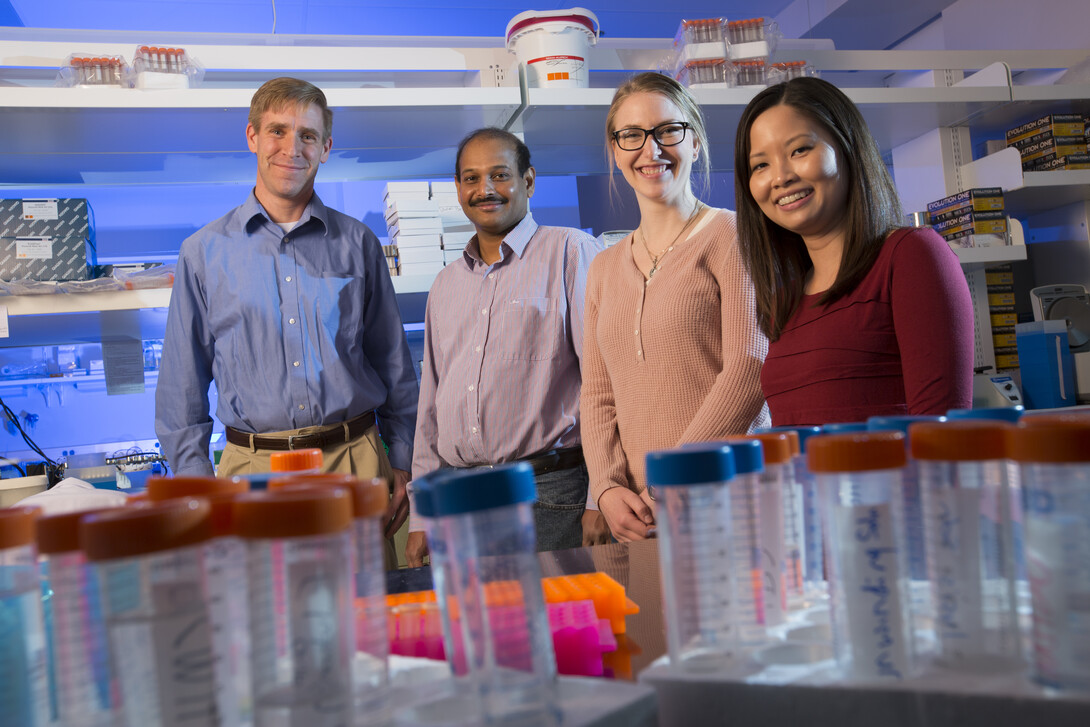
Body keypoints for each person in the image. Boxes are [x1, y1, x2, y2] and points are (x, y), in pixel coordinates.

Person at [155, 77, 419, 553]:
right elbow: (181, 389)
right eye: (277, 131)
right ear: (252, 136)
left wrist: (402, 460)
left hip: (354, 465)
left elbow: (394, 366)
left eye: (308, 136)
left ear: (326, 147)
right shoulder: (203, 253)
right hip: (253, 475)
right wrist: (197, 487)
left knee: (366, 618)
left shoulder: (358, 244)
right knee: (265, 622)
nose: (291, 148)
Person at [582, 72, 770, 543]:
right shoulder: (603, 267)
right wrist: (606, 487)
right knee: (653, 620)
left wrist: (676, 475)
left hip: (727, 494)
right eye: (632, 136)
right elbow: (597, 391)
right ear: (615, 150)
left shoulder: (734, 235)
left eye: (669, 131)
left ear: (697, 141)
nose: (652, 150)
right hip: (639, 515)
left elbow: (750, 367)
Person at [405, 128, 604, 566]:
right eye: (471, 178)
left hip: (548, 497)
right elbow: (430, 408)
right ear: (458, 189)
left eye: (500, 174)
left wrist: (599, 495)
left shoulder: (570, 252)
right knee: (475, 630)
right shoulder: (445, 284)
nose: (485, 190)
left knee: (556, 629)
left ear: (528, 181)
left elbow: (603, 383)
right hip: (460, 499)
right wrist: (421, 514)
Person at [734, 76, 974, 426]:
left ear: (848, 147)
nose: (780, 177)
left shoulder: (911, 256)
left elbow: (945, 436)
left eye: (799, 150)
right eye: (760, 165)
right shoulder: (784, 303)